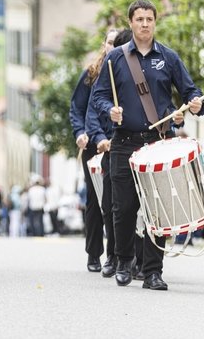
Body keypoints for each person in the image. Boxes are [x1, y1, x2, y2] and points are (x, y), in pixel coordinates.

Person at [92, 0, 204, 291]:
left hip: (158, 143)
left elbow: (192, 92)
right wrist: (110, 110)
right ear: (131, 23)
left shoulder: (168, 58)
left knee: (157, 210)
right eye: (139, 19)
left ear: (155, 22)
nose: (144, 24)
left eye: (149, 19)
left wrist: (194, 105)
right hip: (124, 143)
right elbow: (99, 96)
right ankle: (124, 261)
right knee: (124, 208)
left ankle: (154, 272)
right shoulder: (115, 58)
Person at [69, 28, 118, 272]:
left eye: (117, 43)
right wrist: (80, 133)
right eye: (110, 42)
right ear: (104, 45)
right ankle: (93, 253)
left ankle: (117, 254)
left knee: (116, 201)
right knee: (95, 199)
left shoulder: (124, 72)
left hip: (118, 144)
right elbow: (77, 108)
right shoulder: (91, 74)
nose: (112, 46)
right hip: (92, 145)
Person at [85, 28, 132, 277]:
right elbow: (90, 111)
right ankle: (107, 254)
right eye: (111, 43)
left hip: (132, 144)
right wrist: (99, 138)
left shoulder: (136, 70)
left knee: (133, 205)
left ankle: (137, 259)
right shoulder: (97, 75)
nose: (114, 48)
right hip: (106, 147)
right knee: (107, 204)